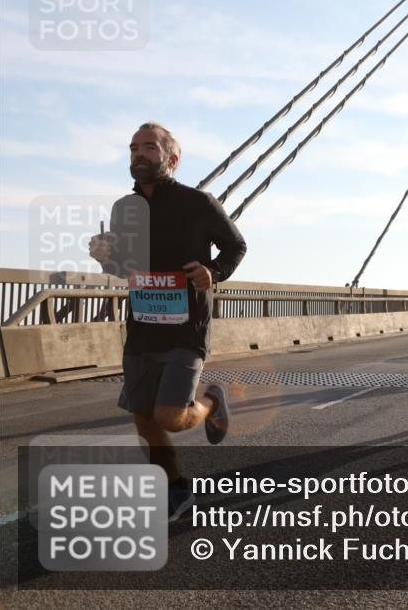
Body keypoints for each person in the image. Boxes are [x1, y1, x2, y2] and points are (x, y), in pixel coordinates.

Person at [88, 122, 247, 522]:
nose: (139, 154)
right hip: (142, 326)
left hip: (186, 325)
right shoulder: (124, 209)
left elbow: (235, 246)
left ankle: (211, 403)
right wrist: (104, 255)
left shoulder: (199, 203)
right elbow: (124, 267)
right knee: (143, 417)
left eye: (149, 147)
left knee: (169, 417)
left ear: (172, 159)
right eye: (133, 148)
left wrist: (213, 271)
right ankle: (175, 488)